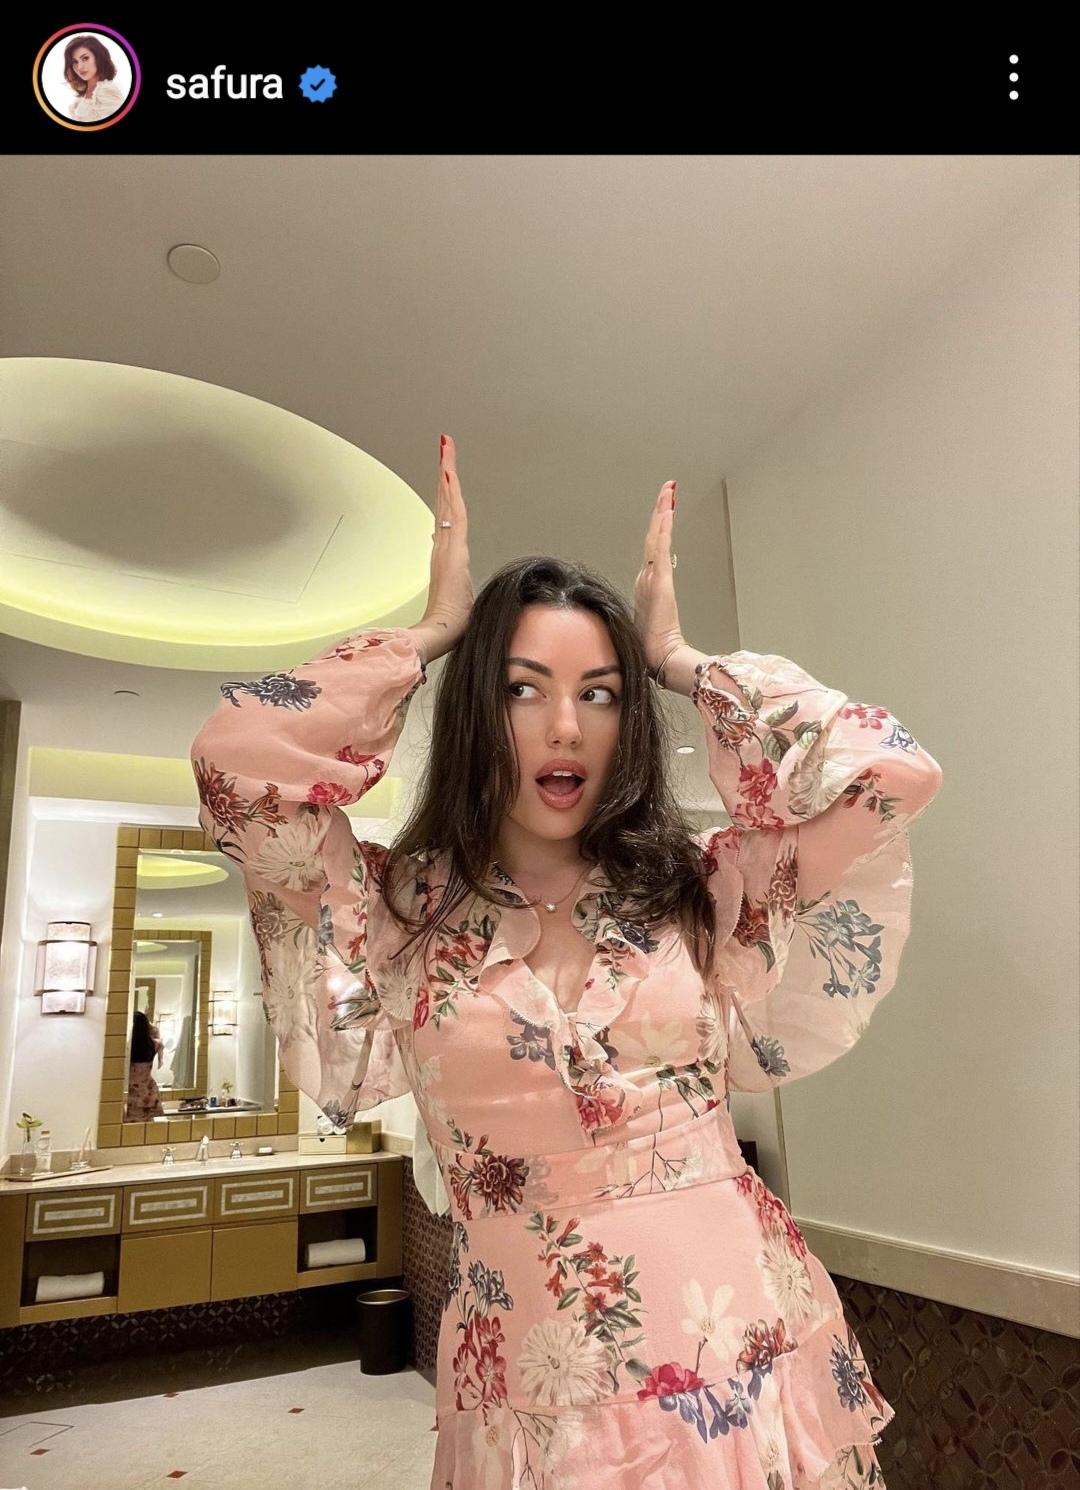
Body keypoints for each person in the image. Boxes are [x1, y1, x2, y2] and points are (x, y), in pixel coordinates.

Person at [190, 435, 943, 1489]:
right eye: (523, 687)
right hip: (533, 1394)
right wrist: (431, 635)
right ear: (476, 708)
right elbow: (237, 767)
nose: (564, 726)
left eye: (600, 692)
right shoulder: (396, 909)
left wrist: (678, 661)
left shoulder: (703, 890)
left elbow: (889, 772)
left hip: (743, 1358)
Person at [63, 35, 125, 123]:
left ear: (99, 57)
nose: (79, 67)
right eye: (75, 62)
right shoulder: (83, 95)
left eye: (85, 58)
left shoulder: (107, 92)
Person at [124, 1009, 165, 1121]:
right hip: (149, 1090)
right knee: (151, 1129)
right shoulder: (156, 1044)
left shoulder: (127, 1048)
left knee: (131, 1128)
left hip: (132, 1093)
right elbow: (160, 1064)